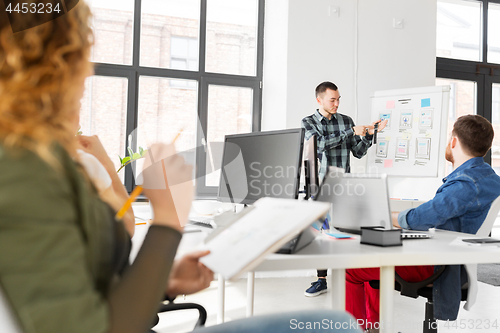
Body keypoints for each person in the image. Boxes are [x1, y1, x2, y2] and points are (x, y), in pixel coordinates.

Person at [0, 2, 362, 333]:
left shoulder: (40, 160)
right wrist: (168, 217)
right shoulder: (23, 170)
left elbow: (86, 286)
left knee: (327, 322)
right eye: (80, 55)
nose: (87, 72)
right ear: (50, 67)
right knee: (330, 325)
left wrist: (164, 280)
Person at [345, 115, 500, 332]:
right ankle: (372, 327)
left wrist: (380, 213)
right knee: (375, 255)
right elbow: (439, 213)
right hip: (451, 257)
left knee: (351, 268)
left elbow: (418, 219)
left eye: (449, 138)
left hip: (437, 264)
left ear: (454, 142)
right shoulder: (489, 178)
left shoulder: (465, 184)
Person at [301, 81, 387, 297]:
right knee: (321, 235)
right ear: (319, 100)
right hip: (320, 187)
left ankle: (351, 278)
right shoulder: (308, 122)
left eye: (339, 99)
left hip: (345, 186)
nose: (337, 103)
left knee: (346, 233)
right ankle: (321, 280)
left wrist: (368, 134)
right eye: (332, 99)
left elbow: (357, 152)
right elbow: (319, 144)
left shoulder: (346, 121)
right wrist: (351, 132)